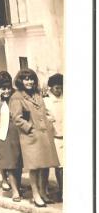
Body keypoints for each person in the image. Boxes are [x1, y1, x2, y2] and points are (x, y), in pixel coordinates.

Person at [9, 68, 60, 207]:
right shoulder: (17, 97)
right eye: (26, 79)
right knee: (34, 167)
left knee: (45, 165)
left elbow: (44, 111)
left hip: (44, 135)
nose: (29, 82)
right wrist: (30, 128)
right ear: (20, 81)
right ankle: (36, 194)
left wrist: (49, 119)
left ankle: (43, 192)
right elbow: (17, 118)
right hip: (30, 137)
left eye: (31, 79)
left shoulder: (37, 94)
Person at [0, 71, 22, 202]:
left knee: (18, 163)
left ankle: (18, 186)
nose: (6, 91)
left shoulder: (15, 99)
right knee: (10, 164)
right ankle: (15, 191)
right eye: (3, 88)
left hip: (17, 134)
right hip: (3, 136)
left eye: (8, 88)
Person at [44, 73, 63, 202]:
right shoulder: (46, 101)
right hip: (53, 137)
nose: (59, 90)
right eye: (57, 87)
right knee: (56, 166)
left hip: (65, 135)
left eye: (61, 87)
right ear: (50, 87)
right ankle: (47, 189)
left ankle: (64, 190)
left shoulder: (66, 99)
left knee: (64, 166)